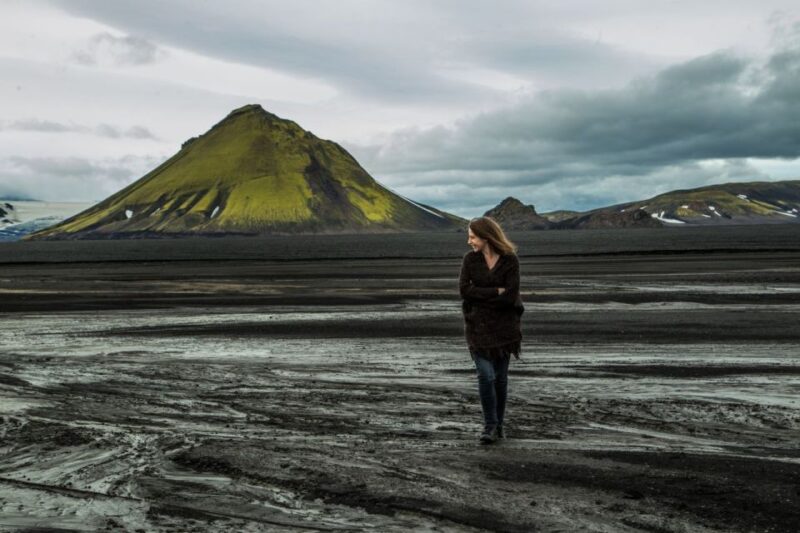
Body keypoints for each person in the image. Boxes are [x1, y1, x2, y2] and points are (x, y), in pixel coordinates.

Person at [459, 216, 524, 445]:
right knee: (486, 376)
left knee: (500, 379)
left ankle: (499, 425)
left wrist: (483, 295)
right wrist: (494, 292)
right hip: (477, 327)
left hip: (504, 330)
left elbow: (510, 295)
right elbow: (464, 291)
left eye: (473, 237)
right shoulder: (470, 260)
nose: (469, 242)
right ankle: (489, 425)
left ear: (486, 237)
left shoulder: (510, 260)